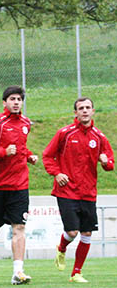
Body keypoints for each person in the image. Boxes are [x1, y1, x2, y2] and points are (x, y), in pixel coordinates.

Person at [43, 97, 113, 283]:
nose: (84, 111)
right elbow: (47, 156)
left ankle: (76, 273)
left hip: (88, 192)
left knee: (87, 234)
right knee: (73, 232)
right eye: (80, 108)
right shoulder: (64, 133)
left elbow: (110, 162)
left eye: (87, 107)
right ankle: (62, 248)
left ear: (93, 111)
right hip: (66, 190)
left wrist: (106, 162)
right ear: (75, 112)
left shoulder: (99, 137)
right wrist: (57, 173)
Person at [0, 86, 36, 284]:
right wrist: (2, 152)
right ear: (4, 102)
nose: (16, 102)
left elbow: (21, 148)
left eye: (19, 99)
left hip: (20, 184)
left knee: (19, 226)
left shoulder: (26, 123)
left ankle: (18, 272)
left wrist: (29, 156)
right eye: (12, 99)